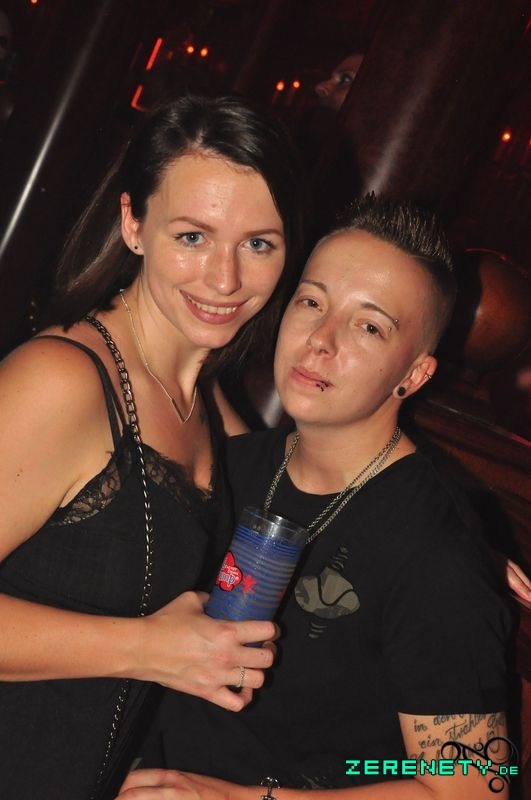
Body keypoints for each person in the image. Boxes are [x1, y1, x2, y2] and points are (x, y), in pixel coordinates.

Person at [118, 194, 513, 800]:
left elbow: (476, 783)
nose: (321, 340)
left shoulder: (434, 551)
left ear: (413, 375)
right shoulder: (236, 466)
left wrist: (241, 798)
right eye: (311, 302)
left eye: (369, 326)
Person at [0, 93, 304, 799]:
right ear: (133, 224)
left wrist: (434, 535)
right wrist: (151, 648)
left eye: (259, 244)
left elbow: (304, 494)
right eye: (192, 236)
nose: (225, 279)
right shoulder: (62, 381)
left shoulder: (202, 399)